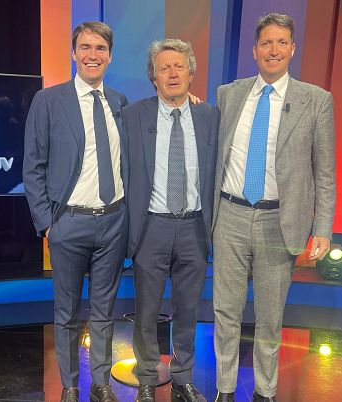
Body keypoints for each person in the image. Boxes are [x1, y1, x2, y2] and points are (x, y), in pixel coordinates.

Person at [212, 13, 336, 402]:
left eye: (282, 42)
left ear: (293, 49)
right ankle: (224, 389)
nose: (274, 50)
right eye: (266, 42)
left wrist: (323, 228)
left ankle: (265, 392)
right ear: (254, 50)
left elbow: (325, 172)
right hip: (229, 215)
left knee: (269, 318)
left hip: (279, 222)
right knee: (225, 313)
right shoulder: (228, 94)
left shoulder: (316, 100)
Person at [23, 22, 128, 402]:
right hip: (68, 222)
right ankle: (69, 385)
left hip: (113, 221)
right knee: (66, 312)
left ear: (110, 55)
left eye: (100, 48)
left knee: (104, 311)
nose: (92, 55)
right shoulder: (49, 101)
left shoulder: (120, 102)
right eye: (85, 47)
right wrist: (48, 224)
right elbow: (33, 166)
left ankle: (100, 382)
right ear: (73, 53)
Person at [122, 39, 219, 402]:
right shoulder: (133, 116)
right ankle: (147, 378)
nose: (173, 73)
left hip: (195, 226)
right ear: (154, 78)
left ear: (191, 73)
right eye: (164, 68)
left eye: (179, 66)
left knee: (188, 309)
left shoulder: (210, 116)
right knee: (147, 310)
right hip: (152, 226)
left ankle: (182, 377)